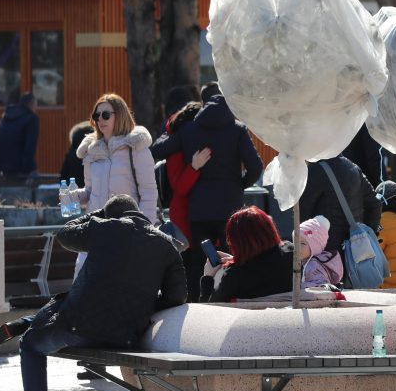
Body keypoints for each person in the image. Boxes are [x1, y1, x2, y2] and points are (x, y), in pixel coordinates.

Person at [0, 195, 187, 391]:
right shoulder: (166, 245)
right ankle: (28, 323)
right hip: (127, 336)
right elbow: (177, 297)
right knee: (59, 313)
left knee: (31, 344)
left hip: (77, 328)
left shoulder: (105, 228)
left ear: (109, 215)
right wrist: (143, 307)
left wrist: (94, 215)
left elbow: (65, 234)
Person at [151, 95, 263, 300]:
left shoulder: (188, 130)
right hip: (230, 208)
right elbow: (256, 167)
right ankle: (231, 299)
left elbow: (157, 150)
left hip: (199, 209)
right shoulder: (238, 130)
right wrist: (240, 185)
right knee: (232, 257)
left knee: (198, 262)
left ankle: (199, 304)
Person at [72, 94, 157, 280]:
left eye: (105, 115)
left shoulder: (136, 147)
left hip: (127, 230)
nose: (100, 120)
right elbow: (89, 191)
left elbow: (149, 192)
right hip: (96, 228)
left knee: (121, 283)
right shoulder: (92, 150)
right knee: (82, 282)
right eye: (96, 116)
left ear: (119, 115)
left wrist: (145, 228)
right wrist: (73, 196)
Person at [200, 206, 294, 302]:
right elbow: (264, 262)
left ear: (236, 241)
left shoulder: (234, 275)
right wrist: (239, 260)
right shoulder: (290, 252)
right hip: (290, 314)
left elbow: (210, 308)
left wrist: (208, 277)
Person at [298, 155, 382, 257]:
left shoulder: (316, 171)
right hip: (355, 250)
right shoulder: (353, 168)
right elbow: (375, 204)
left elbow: (302, 214)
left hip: (326, 253)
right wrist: (367, 235)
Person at [161, 102, 211, 245]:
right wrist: (194, 167)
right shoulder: (176, 146)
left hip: (203, 215)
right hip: (184, 220)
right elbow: (180, 186)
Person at [0, 92, 40, 178]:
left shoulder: (5, 117)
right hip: (22, 169)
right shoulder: (31, 119)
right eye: (36, 105)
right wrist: (27, 170)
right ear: (31, 104)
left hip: (5, 168)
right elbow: (30, 146)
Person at [297, 215, 344, 288]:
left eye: (302, 243)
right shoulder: (308, 262)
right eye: (295, 242)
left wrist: (298, 286)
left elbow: (319, 285)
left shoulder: (313, 265)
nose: (297, 247)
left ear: (315, 247)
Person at [58, 120, 94, 188]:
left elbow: (63, 174)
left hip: (73, 189)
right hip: (90, 189)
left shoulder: (72, 151)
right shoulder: (94, 149)